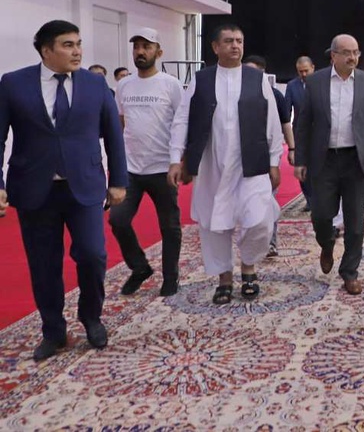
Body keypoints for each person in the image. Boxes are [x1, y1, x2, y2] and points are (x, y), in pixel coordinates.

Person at [0, 20, 127, 361]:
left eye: (78, 44)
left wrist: (118, 180)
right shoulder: (13, 84)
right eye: (68, 45)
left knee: (93, 255)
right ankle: (53, 330)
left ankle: (91, 317)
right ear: (46, 51)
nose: (77, 51)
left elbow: (113, 135)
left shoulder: (95, 84)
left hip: (84, 186)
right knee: (44, 264)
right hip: (34, 189)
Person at [168, 24, 283, 305]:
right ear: (215, 47)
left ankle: (248, 265)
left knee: (259, 220)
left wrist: (274, 160)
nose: (235, 46)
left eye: (239, 41)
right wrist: (175, 158)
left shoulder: (258, 79)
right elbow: (182, 119)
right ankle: (224, 278)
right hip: (212, 162)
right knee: (213, 223)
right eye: (229, 41)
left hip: (251, 163)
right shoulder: (201, 80)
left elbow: (272, 122)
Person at [294, 34, 364, 295]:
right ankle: (327, 243)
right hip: (324, 159)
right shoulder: (316, 81)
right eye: (347, 53)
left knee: (356, 222)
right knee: (321, 214)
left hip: (355, 159)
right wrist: (300, 159)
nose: (353, 57)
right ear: (333, 55)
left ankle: (349, 272)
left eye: (356, 52)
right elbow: (303, 123)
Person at [109, 27, 185, 297]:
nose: (140, 51)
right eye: (137, 47)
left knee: (170, 226)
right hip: (131, 169)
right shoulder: (124, 85)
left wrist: (179, 160)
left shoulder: (171, 85)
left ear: (158, 52)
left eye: (146, 46)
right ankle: (140, 267)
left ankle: (171, 277)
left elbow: (181, 123)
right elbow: (120, 123)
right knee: (118, 220)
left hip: (163, 168)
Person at [242, 55, 295, 257]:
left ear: (262, 73)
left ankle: (270, 242)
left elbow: (285, 124)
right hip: (241, 157)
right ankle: (250, 240)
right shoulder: (236, 93)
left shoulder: (275, 95)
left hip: (268, 155)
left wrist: (292, 149)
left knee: (268, 199)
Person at [285, 56, 315, 211]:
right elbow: (286, 112)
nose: (303, 74)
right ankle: (309, 199)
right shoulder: (292, 86)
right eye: (300, 71)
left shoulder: (321, 83)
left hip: (319, 132)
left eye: (306, 71)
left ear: (313, 68)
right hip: (300, 133)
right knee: (301, 166)